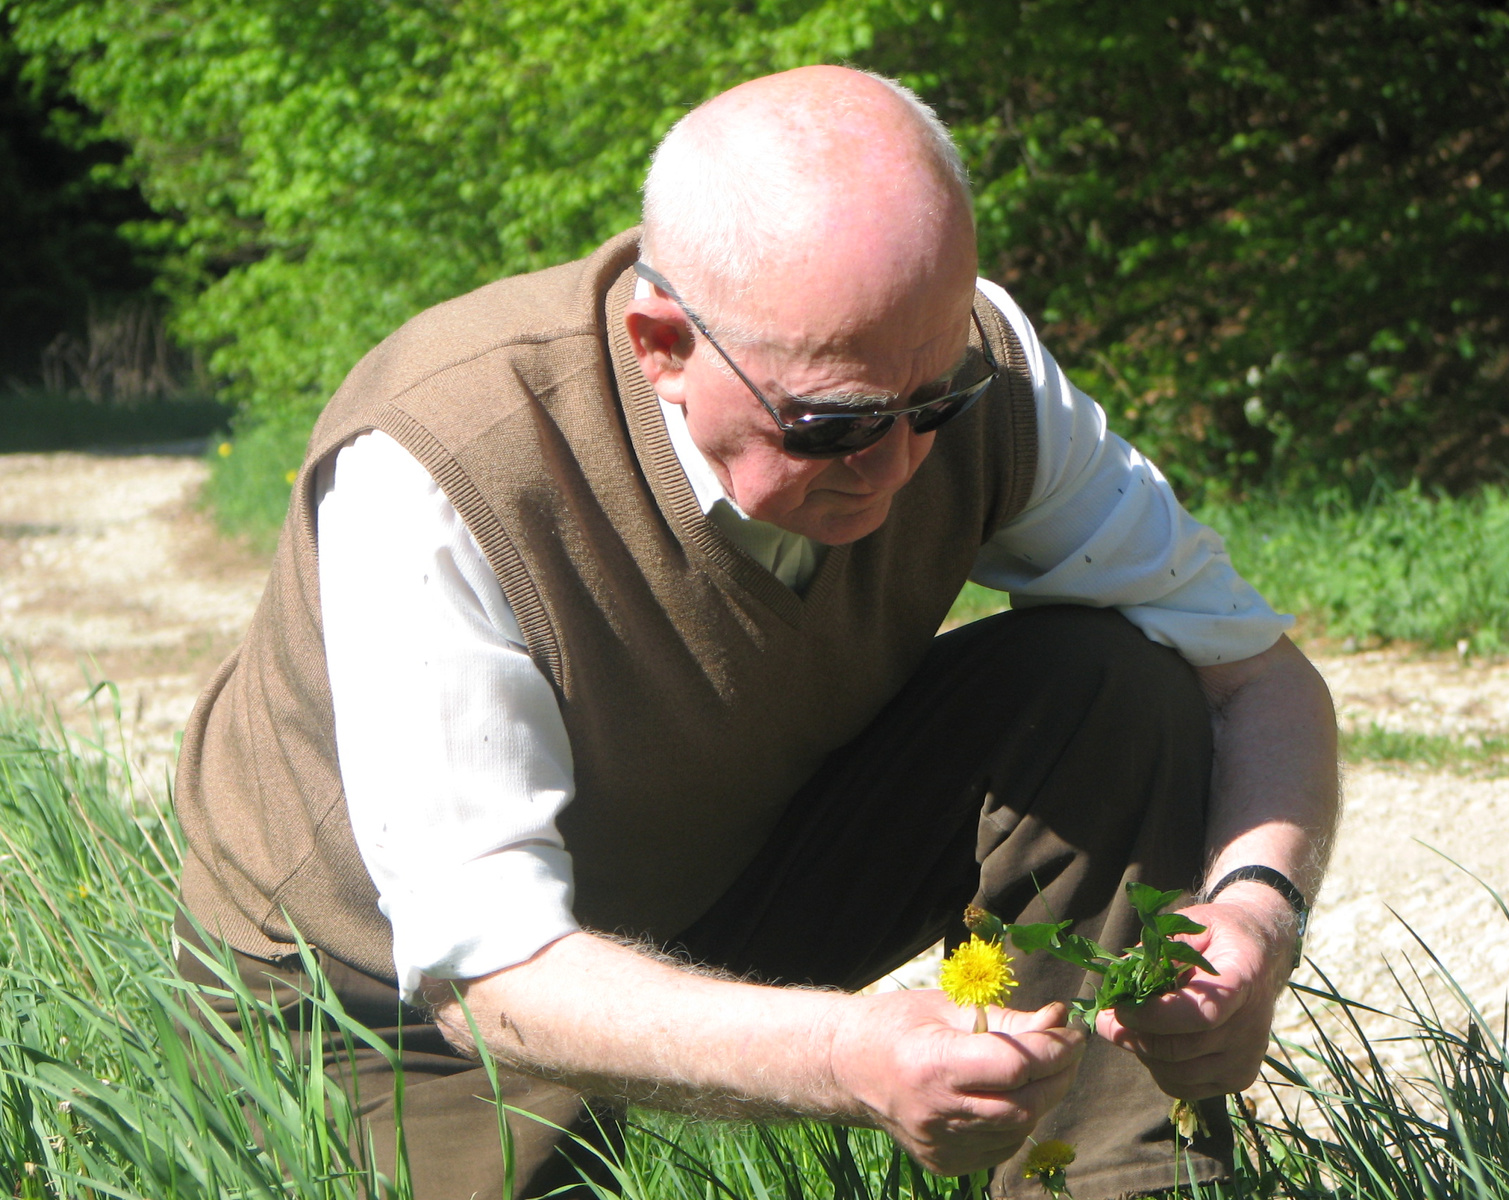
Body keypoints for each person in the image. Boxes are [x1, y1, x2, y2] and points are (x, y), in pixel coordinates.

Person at [174, 65, 1338, 1200]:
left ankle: (1115, 1182)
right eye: (833, 423)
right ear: (662, 345)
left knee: (1113, 689)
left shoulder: (971, 363)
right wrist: (849, 1058)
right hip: (384, 986)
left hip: (711, 868)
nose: (896, 462)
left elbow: (1257, 681)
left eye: (932, 404)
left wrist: (1254, 910)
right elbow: (490, 975)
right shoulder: (440, 471)